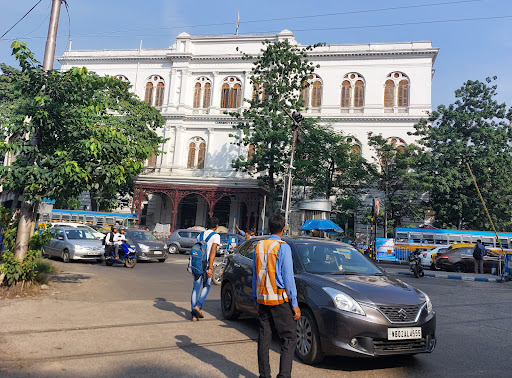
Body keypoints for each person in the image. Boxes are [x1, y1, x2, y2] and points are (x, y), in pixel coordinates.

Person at [252, 214, 300, 378]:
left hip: (263, 299)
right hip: (279, 300)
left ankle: (264, 375)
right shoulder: (283, 247)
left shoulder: (258, 246)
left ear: (269, 228)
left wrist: (255, 299)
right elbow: (288, 278)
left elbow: (255, 275)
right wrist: (294, 304)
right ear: (283, 229)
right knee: (289, 338)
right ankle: (284, 375)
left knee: (264, 338)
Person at [190, 217, 220, 321]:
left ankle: (194, 315)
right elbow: (213, 252)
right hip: (206, 264)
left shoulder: (200, 235)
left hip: (197, 264)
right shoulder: (216, 236)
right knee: (207, 285)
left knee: (195, 288)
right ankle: (198, 306)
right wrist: (211, 267)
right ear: (216, 226)